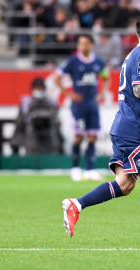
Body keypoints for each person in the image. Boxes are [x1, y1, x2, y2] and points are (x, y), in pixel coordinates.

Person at [61, 13, 140, 245]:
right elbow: (138, 91)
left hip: (125, 126)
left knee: (126, 184)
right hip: (134, 128)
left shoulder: (136, 55)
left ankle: (76, 204)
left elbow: (137, 89)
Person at [53, 34, 111, 182]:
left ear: (91, 45)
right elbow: (56, 77)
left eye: (85, 44)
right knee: (79, 136)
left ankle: (90, 169)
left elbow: (106, 76)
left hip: (92, 104)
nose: (82, 47)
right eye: (80, 44)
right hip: (79, 105)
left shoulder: (98, 62)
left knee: (92, 136)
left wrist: (102, 93)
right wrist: (68, 93)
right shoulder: (73, 61)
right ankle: (75, 168)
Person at [10, 78, 63, 155]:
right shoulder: (26, 103)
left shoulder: (50, 102)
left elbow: (57, 123)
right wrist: (15, 143)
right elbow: (20, 125)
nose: (39, 90)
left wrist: (61, 145)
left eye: (41, 88)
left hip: (50, 140)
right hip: (32, 139)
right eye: (37, 88)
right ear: (32, 89)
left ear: (44, 89)